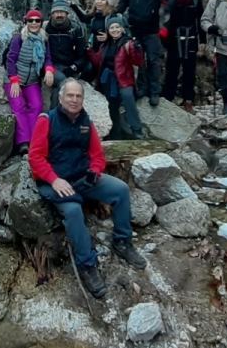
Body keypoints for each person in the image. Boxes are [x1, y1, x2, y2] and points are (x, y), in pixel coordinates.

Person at [29, 78, 147, 299]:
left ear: (83, 99)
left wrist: (95, 171)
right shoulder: (47, 120)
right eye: (70, 95)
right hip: (57, 183)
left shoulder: (86, 122)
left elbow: (97, 155)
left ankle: (122, 241)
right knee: (73, 211)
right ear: (61, 97)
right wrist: (54, 180)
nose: (74, 100)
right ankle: (87, 264)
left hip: (83, 178)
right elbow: (35, 157)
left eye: (78, 96)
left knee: (120, 189)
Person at [115, 0, 171, 106]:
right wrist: (114, 16)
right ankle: (142, 89)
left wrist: (166, 18)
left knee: (153, 60)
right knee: (138, 61)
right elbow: (123, 3)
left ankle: (154, 92)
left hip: (152, 30)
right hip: (135, 30)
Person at [5, 9, 56, 154]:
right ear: (26, 22)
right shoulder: (18, 38)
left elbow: (48, 58)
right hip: (14, 79)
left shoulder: (44, 39)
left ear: (41, 23)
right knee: (18, 106)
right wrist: (14, 80)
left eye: (37, 20)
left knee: (37, 105)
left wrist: (49, 70)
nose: (34, 23)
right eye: (30, 20)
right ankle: (23, 142)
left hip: (32, 80)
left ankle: (34, 140)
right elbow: (10, 59)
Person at [87, 15, 146, 140]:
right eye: (112, 28)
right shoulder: (105, 45)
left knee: (128, 99)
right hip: (108, 80)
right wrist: (89, 51)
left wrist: (137, 49)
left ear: (122, 29)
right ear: (108, 30)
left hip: (124, 79)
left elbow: (138, 61)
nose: (115, 30)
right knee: (112, 107)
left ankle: (137, 130)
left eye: (117, 27)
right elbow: (98, 61)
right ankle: (115, 134)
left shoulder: (128, 44)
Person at [161, 0, 204, 112]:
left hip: (191, 39)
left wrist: (202, 41)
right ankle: (167, 98)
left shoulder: (196, 0)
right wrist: (164, 39)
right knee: (171, 70)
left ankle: (188, 100)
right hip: (173, 39)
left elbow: (200, 21)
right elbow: (165, 17)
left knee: (189, 71)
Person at [45, 0, 88, 108]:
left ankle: (54, 114)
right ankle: (56, 113)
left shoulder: (76, 28)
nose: (59, 15)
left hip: (69, 65)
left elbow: (82, 55)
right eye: (56, 12)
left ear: (67, 13)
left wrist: (74, 67)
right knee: (63, 81)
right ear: (51, 14)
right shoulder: (45, 28)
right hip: (51, 66)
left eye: (62, 12)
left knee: (59, 87)